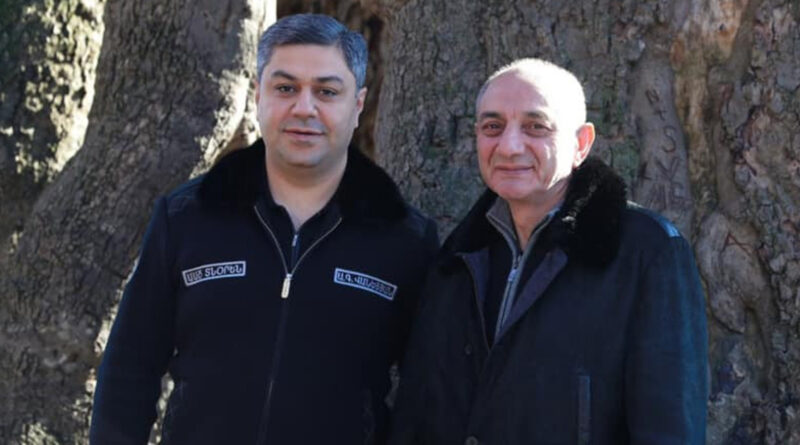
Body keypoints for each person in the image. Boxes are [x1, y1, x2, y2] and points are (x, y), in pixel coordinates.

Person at [90, 14, 438, 445]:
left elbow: (425, 399)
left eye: (327, 92)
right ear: (258, 95)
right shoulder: (186, 218)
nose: (304, 108)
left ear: (358, 105)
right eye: (285, 88)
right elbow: (129, 368)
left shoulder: (406, 240)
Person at [390, 58, 708, 444]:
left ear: (581, 144)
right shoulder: (456, 261)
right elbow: (415, 417)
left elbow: (669, 429)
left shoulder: (647, 251)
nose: (509, 146)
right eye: (492, 126)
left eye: (535, 126)